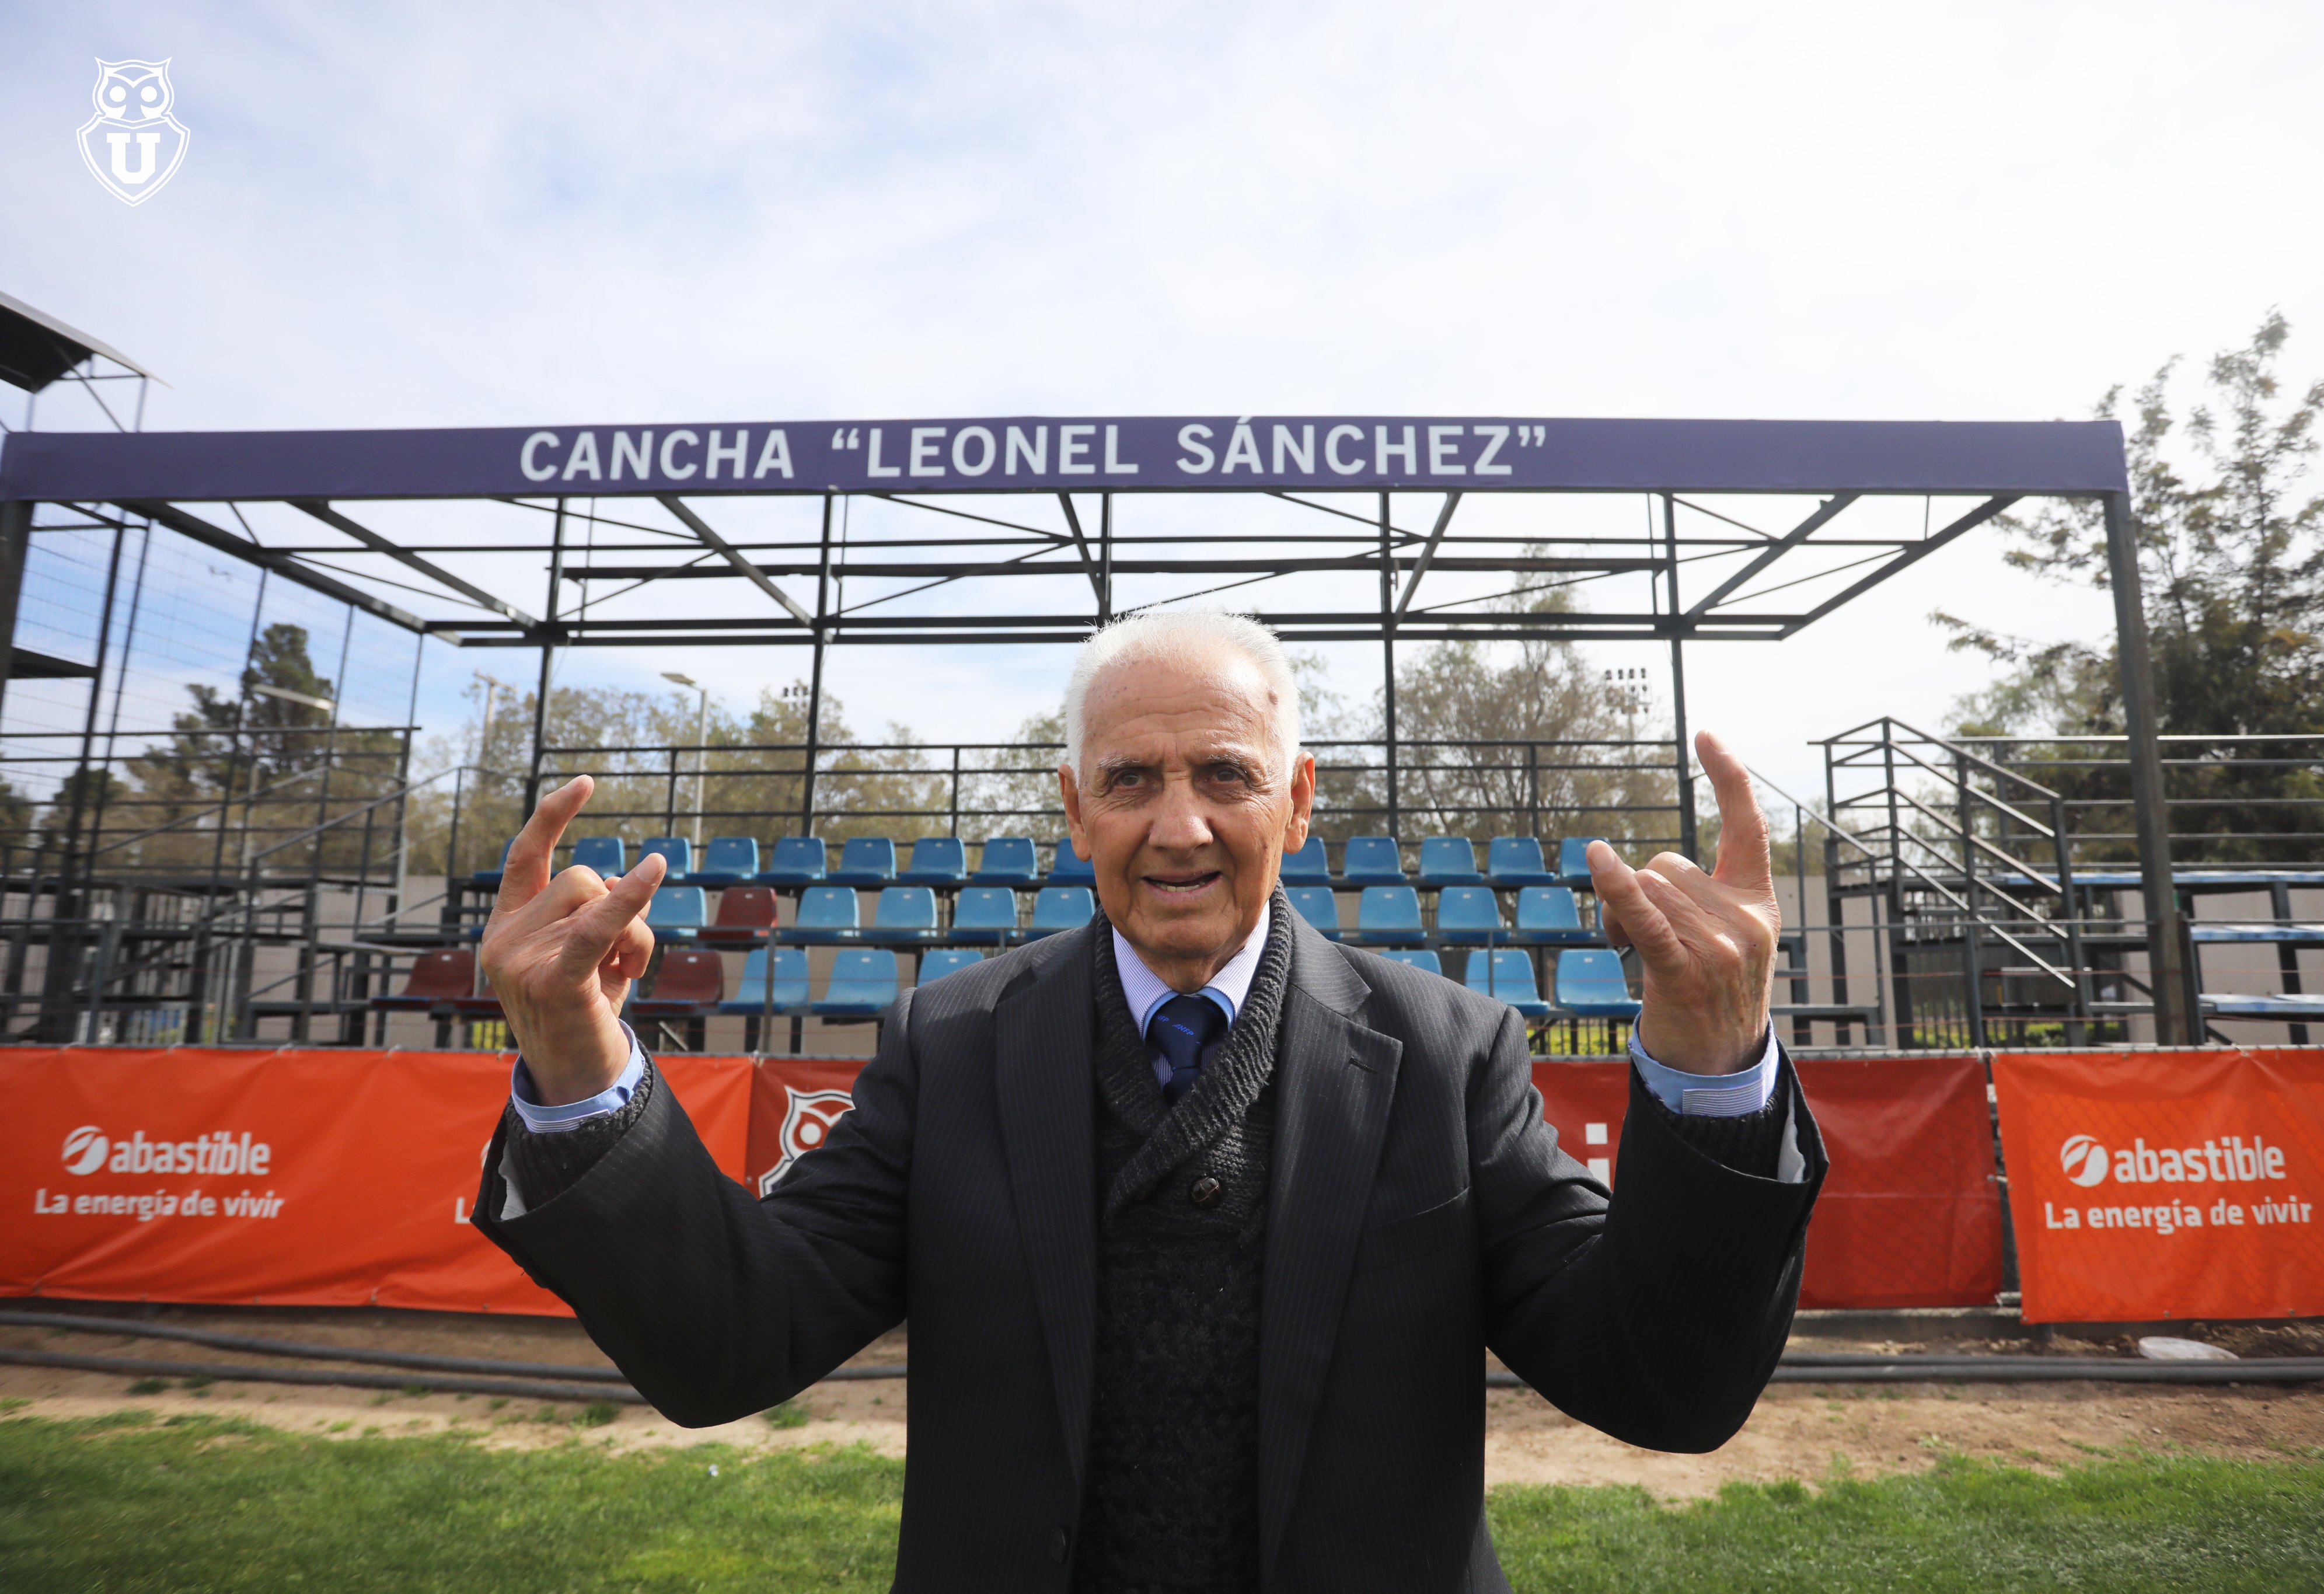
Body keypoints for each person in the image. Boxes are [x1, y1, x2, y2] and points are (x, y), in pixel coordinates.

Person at [472, 611, 1825, 1594]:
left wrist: (1714, 1063)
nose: (1176, 825)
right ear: (1073, 809)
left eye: (1223, 774)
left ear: (1296, 802)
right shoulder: (947, 1047)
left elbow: (1662, 1384)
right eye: (1130, 780)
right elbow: (731, 1343)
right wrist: (577, 1057)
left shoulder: (1447, 1050)